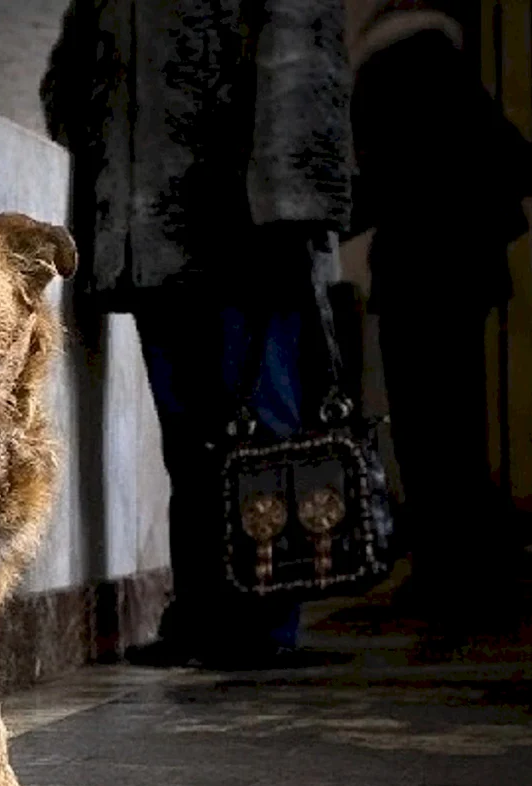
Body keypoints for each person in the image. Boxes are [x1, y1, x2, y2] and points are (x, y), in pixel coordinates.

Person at [40, 0, 355, 667]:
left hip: (250, 226)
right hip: (152, 237)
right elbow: (75, 66)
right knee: (190, 438)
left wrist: (291, 208)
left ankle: (266, 622)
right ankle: (206, 614)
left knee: (263, 433)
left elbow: (299, 47)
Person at [346, 0, 532, 637]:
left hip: (417, 275)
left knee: (426, 428)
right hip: (465, 275)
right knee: (456, 422)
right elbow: (519, 162)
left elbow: (377, 180)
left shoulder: (389, 75)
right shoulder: (455, 77)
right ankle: (468, 568)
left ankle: (445, 572)